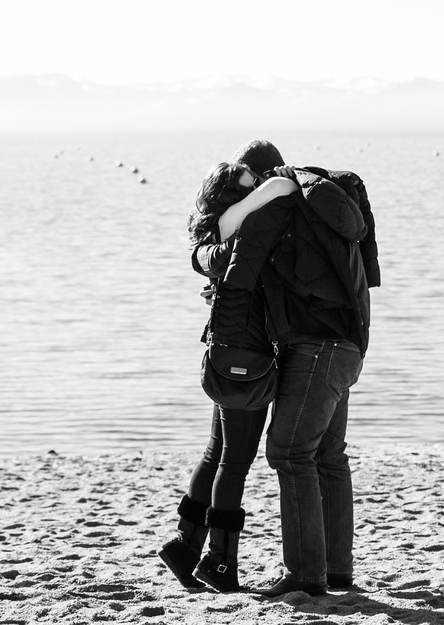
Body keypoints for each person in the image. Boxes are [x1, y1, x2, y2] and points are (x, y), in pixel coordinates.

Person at [195, 139, 380, 597]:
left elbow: (235, 272)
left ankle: (305, 576)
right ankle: (337, 571)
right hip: (351, 341)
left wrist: (200, 261)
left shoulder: (278, 206)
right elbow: (368, 271)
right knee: (328, 457)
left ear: (259, 180)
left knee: (290, 453)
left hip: (313, 347)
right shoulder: (330, 196)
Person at [158, 161, 297, 593]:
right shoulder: (238, 233)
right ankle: (219, 562)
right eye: (247, 184)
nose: (256, 188)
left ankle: (185, 546)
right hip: (244, 355)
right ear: (230, 194)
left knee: (216, 454)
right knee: (234, 462)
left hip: (226, 352)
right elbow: (279, 188)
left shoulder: (223, 233)